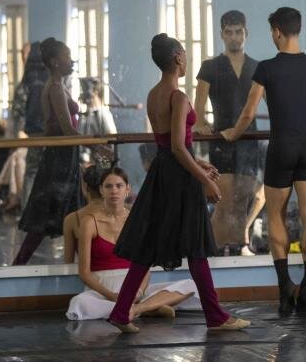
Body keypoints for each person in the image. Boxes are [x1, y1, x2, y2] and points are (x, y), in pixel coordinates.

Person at [107, 33, 249, 333]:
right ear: (177, 58)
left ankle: (120, 312)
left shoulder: (153, 94)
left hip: (162, 172)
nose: (186, 59)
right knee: (195, 246)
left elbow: (169, 145)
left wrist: (199, 163)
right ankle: (216, 316)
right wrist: (205, 180)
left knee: (148, 246)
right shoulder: (178, 97)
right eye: (184, 54)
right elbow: (177, 146)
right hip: (179, 177)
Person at [222, 7, 306, 315]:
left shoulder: (267, 68)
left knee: (276, 216)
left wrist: (232, 134)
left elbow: (248, 112)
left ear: (276, 31)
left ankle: (285, 286)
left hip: (281, 147)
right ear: (297, 29)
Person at [67, 167, 201, 321]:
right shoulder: (89, 222)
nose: (114, 191)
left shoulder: (138, 220)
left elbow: (145, 267)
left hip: (134, 285)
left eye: (119, 186)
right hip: (102, 290)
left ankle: (138, 308)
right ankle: (148, 308)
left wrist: (139, 292)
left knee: (191, 285)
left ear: (127, 189)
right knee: (78, 303)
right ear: (101, 190)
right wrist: (111, 296)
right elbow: (84, 273)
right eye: (108, 186)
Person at [194, 10, 265, 254]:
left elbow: (274, 103)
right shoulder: (209, 67)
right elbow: (198, 108)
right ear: (222, 35)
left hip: (249, 141)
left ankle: (235, 250)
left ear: (246, 33)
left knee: (241, 203)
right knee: (223, 202)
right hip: (221, 140)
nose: (234, 37)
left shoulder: (258, 68)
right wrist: (201, 124)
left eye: (238, 32)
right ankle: (214, 252)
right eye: (229, 32)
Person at [13, 38, 83, 265]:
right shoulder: (54, 88)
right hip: (59, 158)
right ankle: (18, 266)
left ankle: (84, 266)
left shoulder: (59, 85)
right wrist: (96, 144)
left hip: (65, 156)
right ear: (54, 62)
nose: (71, 60)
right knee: (46, 216)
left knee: (73, 212)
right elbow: (67, 130)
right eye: (67, 56)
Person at [19, 42, 49, 210]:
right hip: (50, 128)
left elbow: (20, 104)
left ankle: (26, 209)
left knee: (31, 170)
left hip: (33, 129)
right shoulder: (49, 76)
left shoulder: (28, 76)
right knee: (47, 169)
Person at [63, 164, 105, 263]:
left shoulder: (72, 220)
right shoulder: (124, 213)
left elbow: (68, 263)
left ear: (85, 186)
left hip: (89, 271)